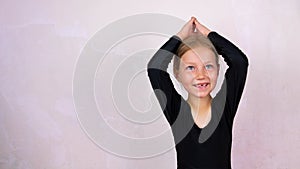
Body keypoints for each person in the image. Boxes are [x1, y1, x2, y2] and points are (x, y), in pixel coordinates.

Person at [147, 17, 249, 168]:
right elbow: (155, 68)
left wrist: (208, 34)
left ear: (218, 69)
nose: (201, 75)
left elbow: (239, 62)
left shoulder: (224, 107)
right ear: (177, 73)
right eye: (191, 68)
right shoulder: (177, 111)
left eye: (208, 66)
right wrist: (181, 36)